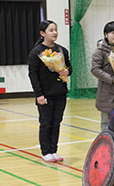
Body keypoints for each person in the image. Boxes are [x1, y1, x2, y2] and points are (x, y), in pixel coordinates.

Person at [27, 20, 72, 162]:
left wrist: (66, 71)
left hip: (60, 93)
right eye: (51, 30)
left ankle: (54, 150)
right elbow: (33, 74)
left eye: (56, 30)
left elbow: (69, 68)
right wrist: (38, 94)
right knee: (46, 123)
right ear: (42, 33)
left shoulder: (62, 50)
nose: (55, 33)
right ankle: (46, 151)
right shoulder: (36, 52)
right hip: (45, 95)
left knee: (57, 122)